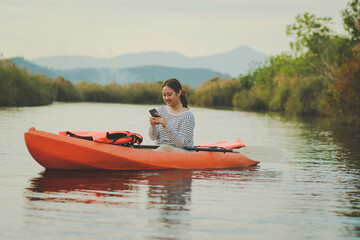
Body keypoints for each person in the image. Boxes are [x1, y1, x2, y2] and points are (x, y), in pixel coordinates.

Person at [148, 78, 195, 152]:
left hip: (180, 151)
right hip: (159, 149)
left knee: (165, 148)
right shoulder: (160, 110)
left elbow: (181, 144)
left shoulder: (187, 115)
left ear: (179, 93)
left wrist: (166, 125)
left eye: (169, 94)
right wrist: (152, 126)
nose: (166, 98)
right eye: (164, 95)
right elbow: (153, 138)